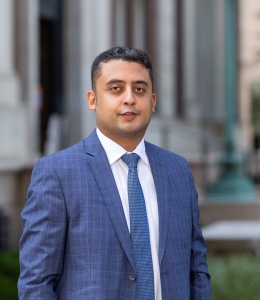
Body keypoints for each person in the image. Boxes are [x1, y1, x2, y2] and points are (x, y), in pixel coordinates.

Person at [18, 46, 211, 300]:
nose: (129, 98)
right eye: (115, 88)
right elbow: (37, 283)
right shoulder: (57, 173)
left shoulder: (178, 170)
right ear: (92, 99)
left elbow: (196, 270)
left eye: (139, 89)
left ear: (152, 102)